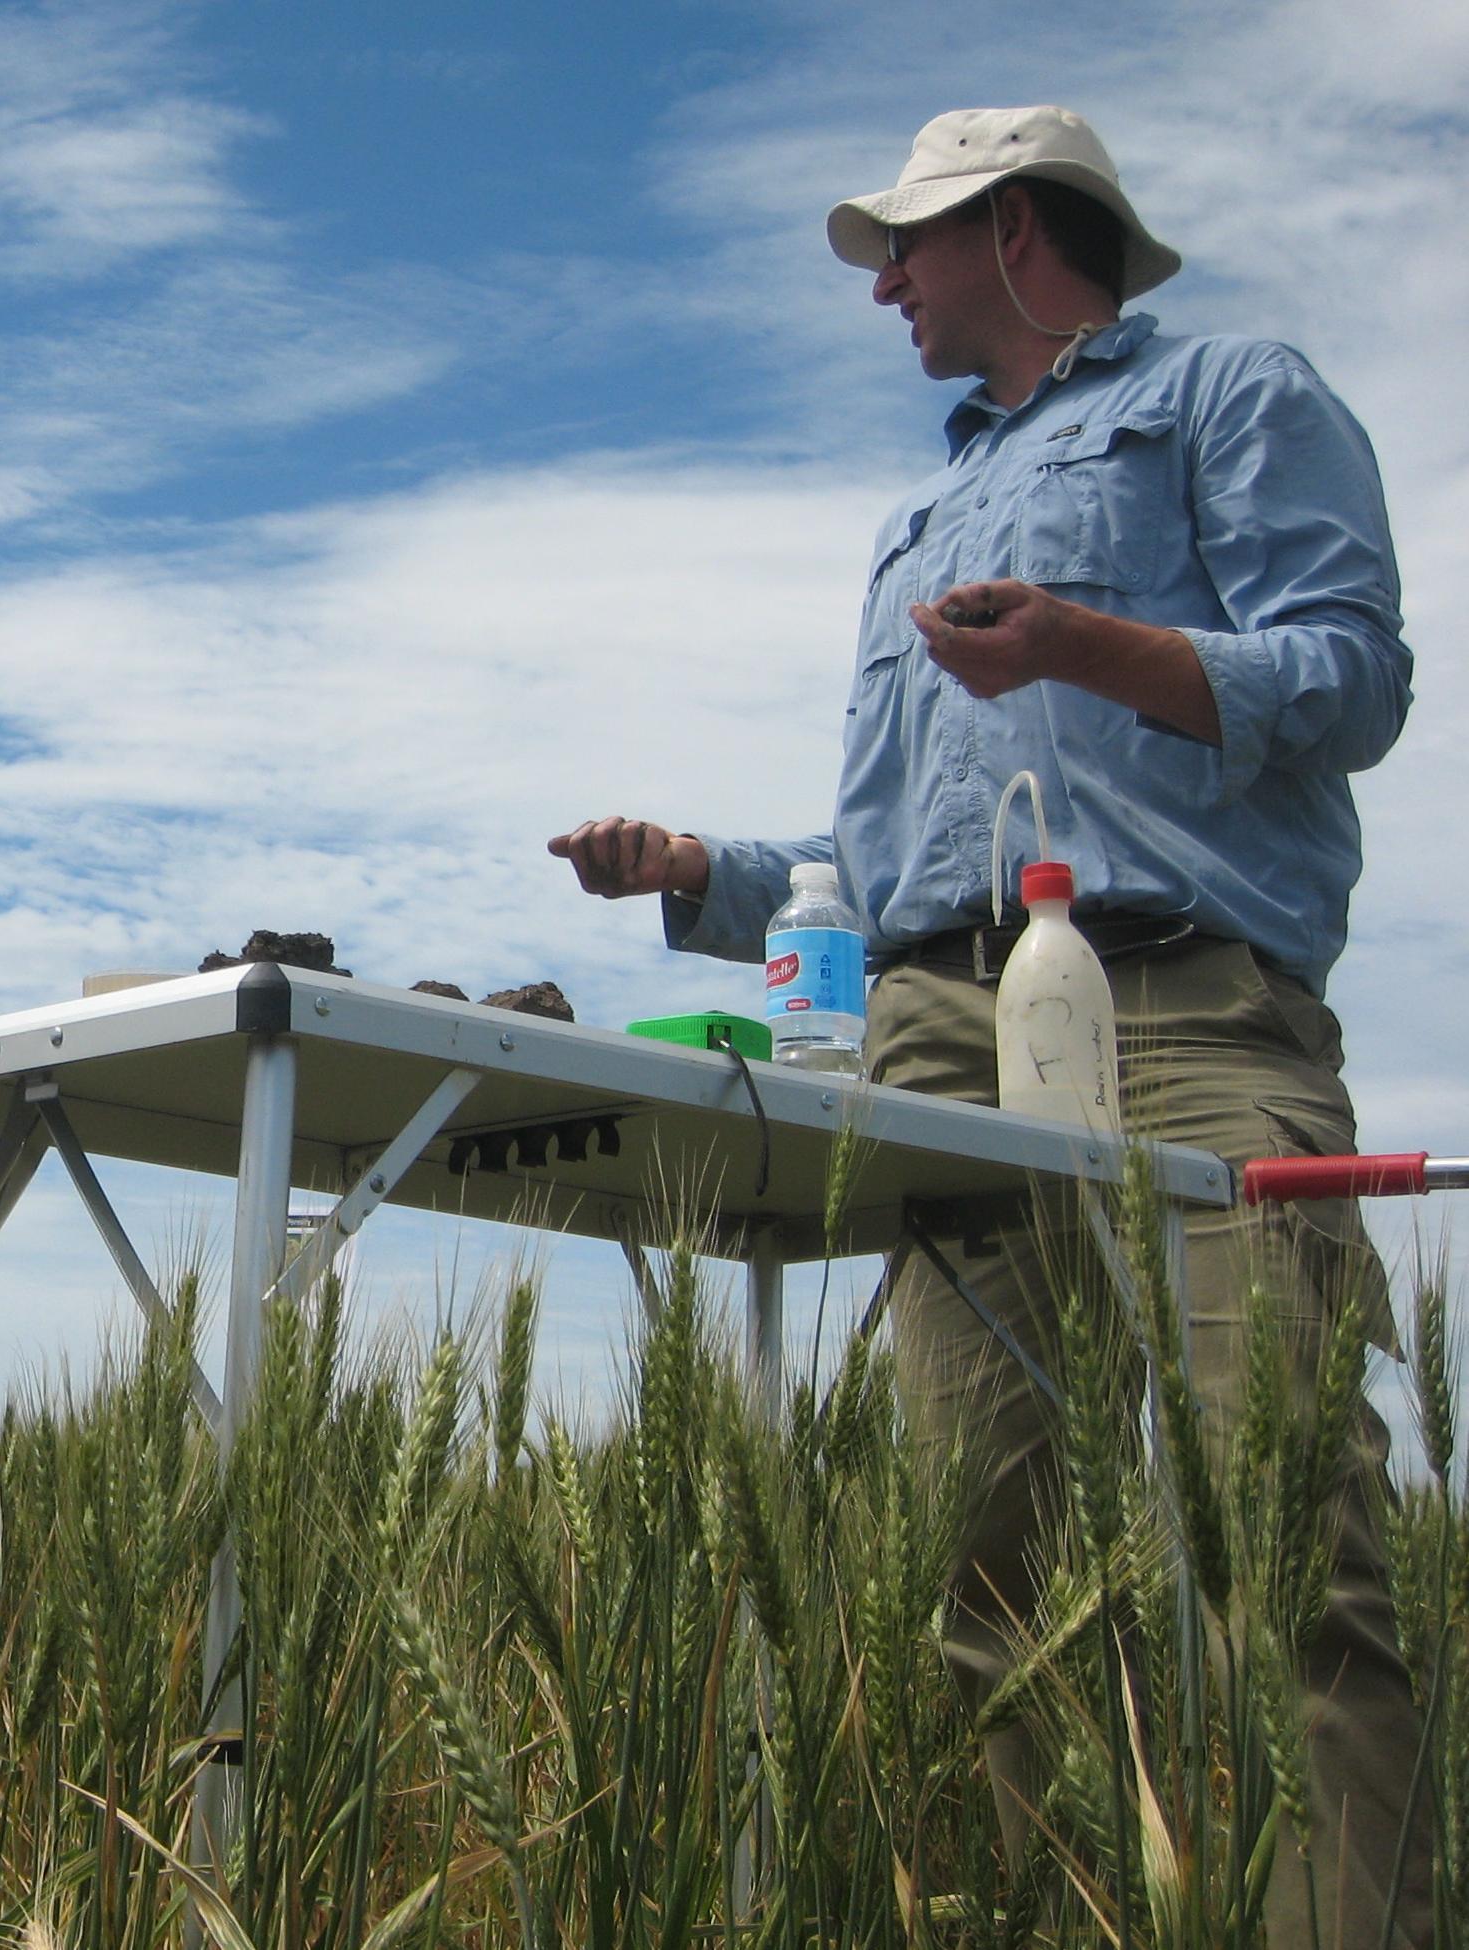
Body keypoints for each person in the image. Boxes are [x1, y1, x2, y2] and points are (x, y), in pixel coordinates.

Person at [550, 106, 1428, 1945]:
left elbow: (1348, 678)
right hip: (938, 1033)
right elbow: (882, 855)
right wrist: (704, 869)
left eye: (910, 243)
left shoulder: (1235, 395)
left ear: (1019, 230)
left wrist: (1079, 644)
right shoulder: (916, 521)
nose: (883, 282)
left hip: (1185, 999)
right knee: (965, 1573)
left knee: (1282, 1543)